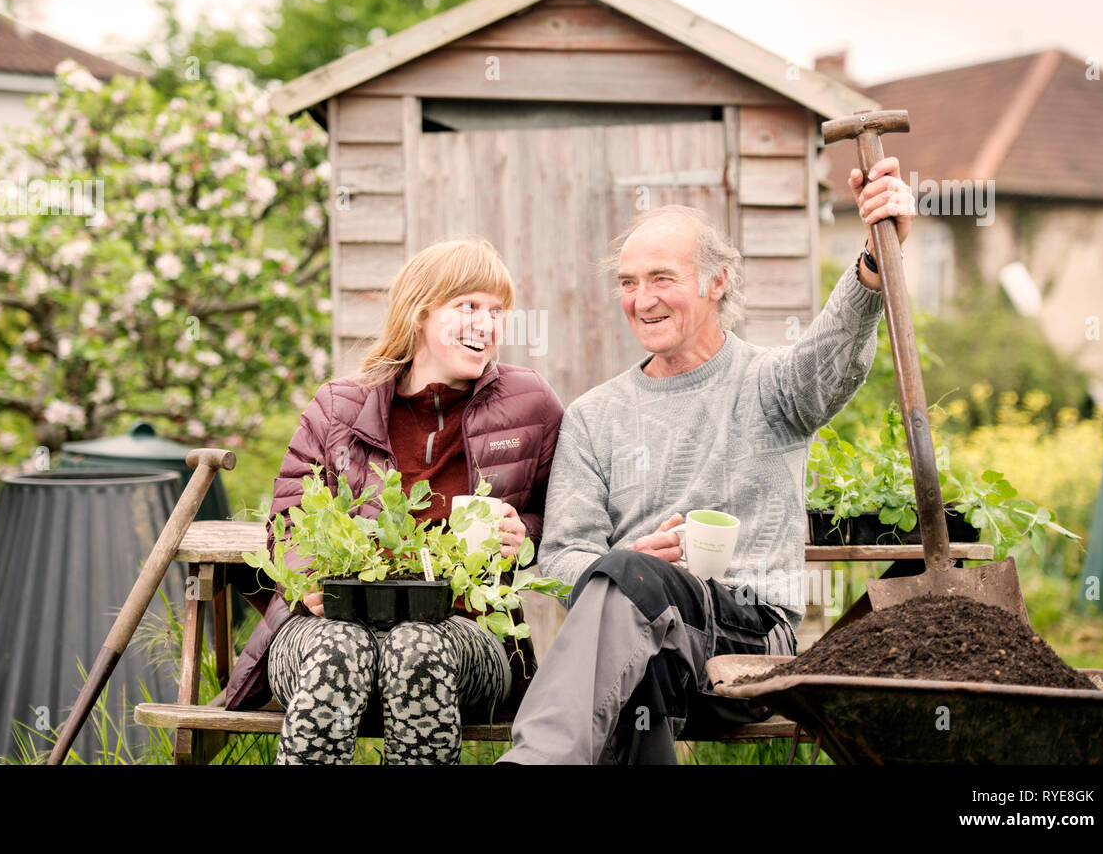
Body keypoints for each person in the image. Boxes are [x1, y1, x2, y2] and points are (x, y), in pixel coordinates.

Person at [500, 158, 917, 764]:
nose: (641, 300)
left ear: (716, 282)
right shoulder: (593, 416)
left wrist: (875, 261)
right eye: (627, 282)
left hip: (750, 644)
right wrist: (622, 563)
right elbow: (562, 560)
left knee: (628, 591)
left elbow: (835, 352)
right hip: (643, 648)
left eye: (661, 279)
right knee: (635, 664)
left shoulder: (770, 386)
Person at [224, 237, 564, 764]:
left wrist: (525, 536)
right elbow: (288, 522)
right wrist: (312, 578)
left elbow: (562, 518)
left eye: (497, 311)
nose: (487, 324)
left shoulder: (530, 404)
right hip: (329, 629)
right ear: (421, 313)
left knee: (417, 644)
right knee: (341, 649)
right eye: (468, 306)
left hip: (462, 635)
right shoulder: (338, 406)